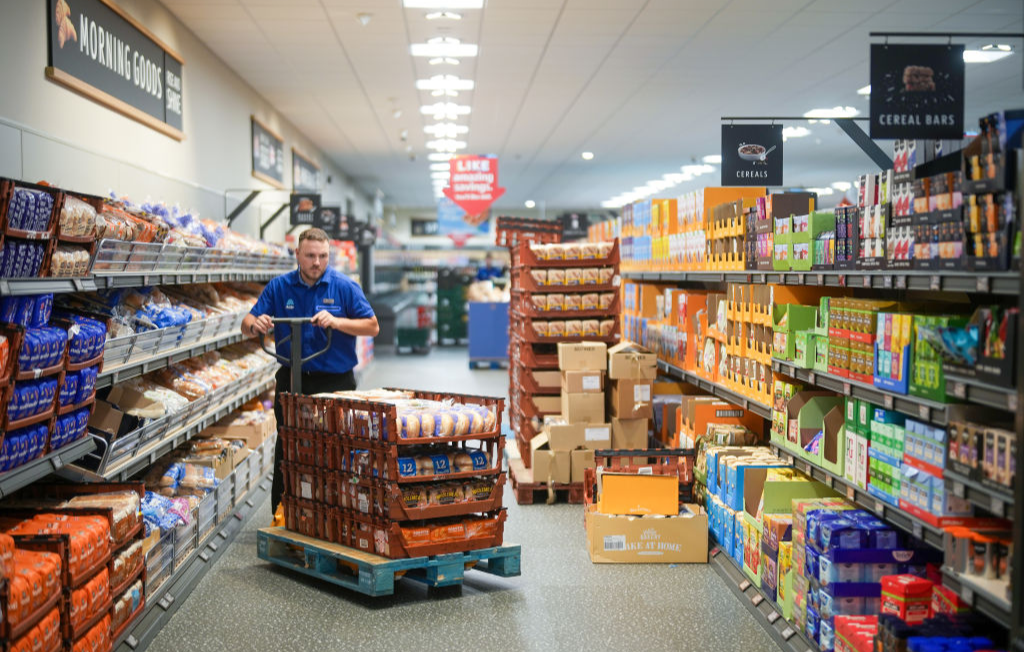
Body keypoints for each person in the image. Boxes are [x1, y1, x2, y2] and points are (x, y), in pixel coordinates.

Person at [242, 228, 379, 523]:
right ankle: (282, 514)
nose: (317, 262)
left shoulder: (344, 286)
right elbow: (247, 322)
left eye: (323, 256)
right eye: (311, 256)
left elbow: (372, 326)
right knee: (288, 445)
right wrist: (257, 324)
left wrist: (338, 321)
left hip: (336, 382)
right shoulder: (279, 287)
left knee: (337, 449)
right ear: (297, 255)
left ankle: (337, 516)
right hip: (292, 379)